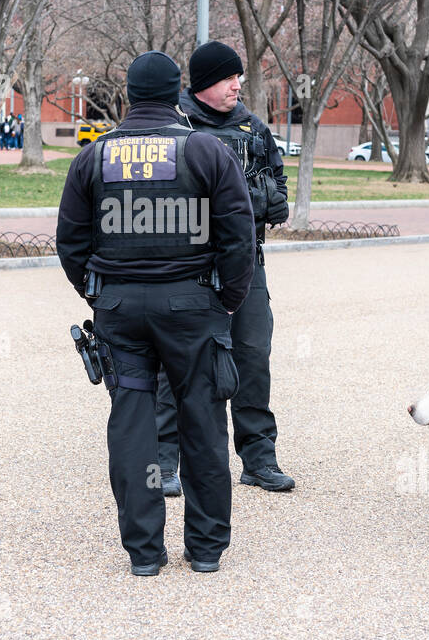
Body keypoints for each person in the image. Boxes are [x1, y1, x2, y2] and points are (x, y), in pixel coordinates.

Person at [56, 51, 255, 575]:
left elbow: (70, 242)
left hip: (120, 309)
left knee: (133, 429)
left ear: (129, 94)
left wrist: (96, 294)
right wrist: (228, 300)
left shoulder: (93, 158)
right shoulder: (206, 150)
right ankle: (206, 550)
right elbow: (239, 235)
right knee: (203, 424)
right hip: (193, 308)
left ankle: (144, 553)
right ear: (176, 94)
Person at [155, 41, 293, 496]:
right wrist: (243, 202)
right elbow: (170, 202)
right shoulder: (176, 126)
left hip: (247, 264)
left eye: (238, 77)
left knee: (253, 358)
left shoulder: (253, 127)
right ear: (205, 83)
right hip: (190, 268)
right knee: (177, 365)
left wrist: (257, 201)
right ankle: (165, 462)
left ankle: (258, 459)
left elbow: (278, 193)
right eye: (228, 78)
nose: (238, 85)